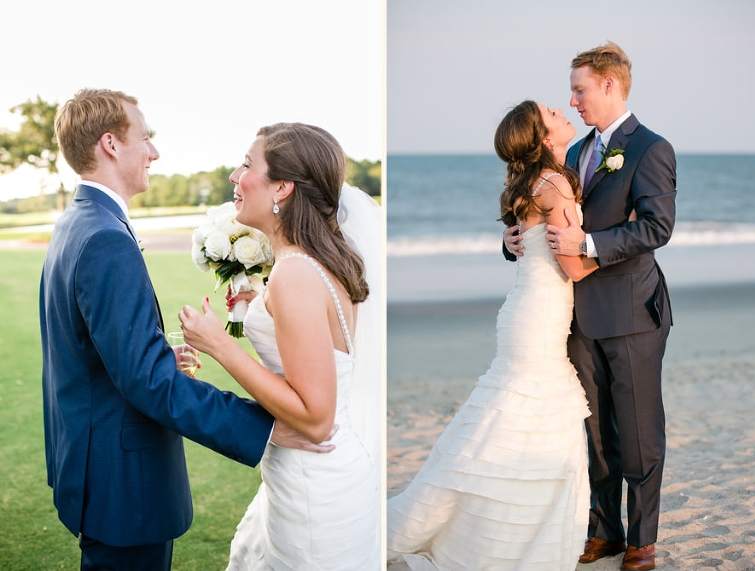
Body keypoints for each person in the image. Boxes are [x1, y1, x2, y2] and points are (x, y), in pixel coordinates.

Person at [39, 89, 327, 571]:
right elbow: (148, 382)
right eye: (145, 138)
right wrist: (267, 426)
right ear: (111, 144)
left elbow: (94, 350)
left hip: (94, 463)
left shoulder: (78, 222)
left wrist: (148, 355)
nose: (154, 152)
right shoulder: (107, 237)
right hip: (122, 481)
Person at [387, 99, 596, 570]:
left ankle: (486, 522)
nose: (564, 113)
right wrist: (621, 250)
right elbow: (576, 269)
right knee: (529, 417)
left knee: (511, 420)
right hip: (540, 315)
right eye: (554, 114)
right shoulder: (555, 183)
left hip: (524, 312)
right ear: (545, 138)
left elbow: (531, 242)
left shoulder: (532, 182)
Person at [504, 42, 676, 571]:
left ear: (608, 84)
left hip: (630, 311)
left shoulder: (650, 148)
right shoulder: (575, 153)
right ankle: (605, 530)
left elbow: (656, 227)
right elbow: (540, 213)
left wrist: (590, 247)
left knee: (638, 428)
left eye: (579, 89)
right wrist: (513, 241)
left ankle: (642, 540)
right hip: (574, 314)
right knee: (595, 429)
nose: (573, 100)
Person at [180, 122, 382, 570]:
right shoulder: (307, 264)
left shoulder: (295, 274)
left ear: (283, 187)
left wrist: (219, 345)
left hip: (316, 481)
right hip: (312, 473)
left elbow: (315, 418)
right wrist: (261, 308)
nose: (235, 176)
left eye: (248, 165)